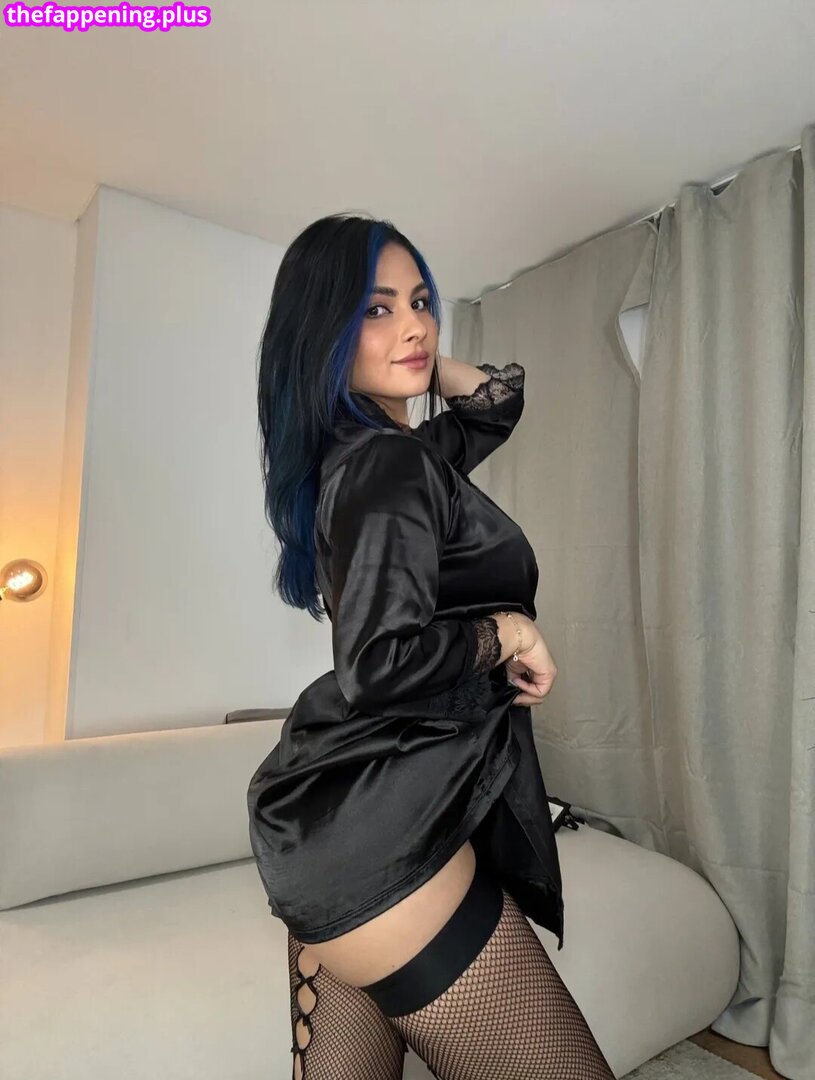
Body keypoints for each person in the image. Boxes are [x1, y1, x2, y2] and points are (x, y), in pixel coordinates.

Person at [246, 212, 615, 1080]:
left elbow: (495, 402)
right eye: (373, 309)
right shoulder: (389, 465)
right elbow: (378, 667)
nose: (413, 325)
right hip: (378, 834)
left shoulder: (382, 454)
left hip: (340, 816)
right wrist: (506, 631)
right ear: (321, 333)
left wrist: (408, 353)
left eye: (420, 303)